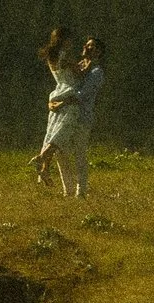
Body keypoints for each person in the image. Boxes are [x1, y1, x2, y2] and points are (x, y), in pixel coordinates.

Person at [53, 37, 105, 198]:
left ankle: (80, 192)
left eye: (91, 46)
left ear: (98, 52)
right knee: (59, 152)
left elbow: (82, 95)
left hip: (82, 117)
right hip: (68, 116)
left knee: (79, 153)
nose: (87, 48)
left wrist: (61, 103)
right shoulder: (79, 67)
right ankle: (68, 189)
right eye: (87, 45)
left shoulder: (97, 72)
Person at [34, 28, 75, 187]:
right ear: (64, 40)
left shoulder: (52, 57)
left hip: (58, 91)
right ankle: (42, 157)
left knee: (52, 132)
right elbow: (78, 73)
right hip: (68, 92)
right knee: (60, 133)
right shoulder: (64, 57)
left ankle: (44, 168)